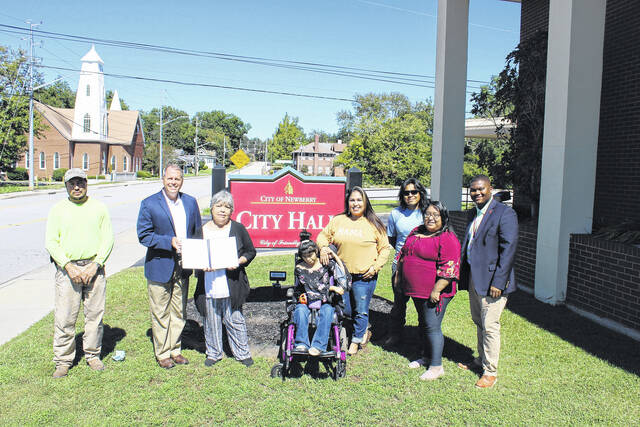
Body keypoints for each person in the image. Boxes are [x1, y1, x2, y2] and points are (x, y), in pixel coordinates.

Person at [45, 168, 114, 378]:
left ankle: (92, 355)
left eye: (81, 182)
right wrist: (68, 265)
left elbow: (108, 239)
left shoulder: (99, 208)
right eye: (72, 183)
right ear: (66, 186)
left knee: (94, 316)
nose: (77, 187)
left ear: (86, 183)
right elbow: (51, 242)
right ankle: (63, 361)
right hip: (68, 271)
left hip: (95, 268)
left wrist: (96, 264)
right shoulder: (58, 210)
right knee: (65, 317)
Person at [137, 164, 202, 369]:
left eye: (177, 179)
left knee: (179, 311)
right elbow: (144, 235)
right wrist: (169, 241)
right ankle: (162, 352)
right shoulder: (149, 204)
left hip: (183, 266)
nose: (173, 182)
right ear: (163, 178)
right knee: (160, 312)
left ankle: (175, 349)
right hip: (160, 265)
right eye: (170, 178)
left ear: (182, 180)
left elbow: (197, 233)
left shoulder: (190, 203)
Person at [458, 175, 518, 389]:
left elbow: (508, 249)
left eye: (481, 189)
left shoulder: (505, 213)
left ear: (490, 189)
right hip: (476, 277)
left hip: (494, 281)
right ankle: (480, 360)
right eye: (473, 190)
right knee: (479, 320)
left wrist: (499, 282)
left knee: (490, 325)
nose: (477, 193)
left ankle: (490, 372)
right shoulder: (474, 214)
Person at [317, 186, 390, 356]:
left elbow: (385, 248)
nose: (355, 203)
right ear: (348, 202)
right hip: (342, 274)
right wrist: (323, 248)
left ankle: (356, 340)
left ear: (365, 202)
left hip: (364, 275)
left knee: (361, 309)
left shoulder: (374, 223)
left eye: (359, 200)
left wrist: (375, 267)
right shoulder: (338, 220)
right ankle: (363, 329)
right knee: (346, 309)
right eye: (352, 200)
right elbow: (322, 236)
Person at [395, 201, 460, 380]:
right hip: (415, 290)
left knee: (432, 326)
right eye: (428, 214)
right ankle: (426, 356)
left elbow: (450, 269)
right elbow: (403, 253)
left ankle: (436, 366)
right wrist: (399, 276)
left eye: (436, 215)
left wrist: (436, 290)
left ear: (443, 217)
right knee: (423, 323)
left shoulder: (447, 238)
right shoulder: (417, 231)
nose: (431, 218)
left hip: (435, 292)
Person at [193, 190, 256, 367]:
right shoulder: (201, 231)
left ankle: (242, 353)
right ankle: (213, 353)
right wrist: (200, 265)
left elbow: (250, 252)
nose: (222, 210)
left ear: (232, 211)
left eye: (227, 207)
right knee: (211, 320)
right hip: (208, 283)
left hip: (231, 283)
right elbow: (194, 255)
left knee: (235, 318)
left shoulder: (237, 229)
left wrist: (239, 261)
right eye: (219, 206)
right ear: (211, 208)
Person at [385, 178, 429, 347]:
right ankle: (395, 335)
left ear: (420, 193)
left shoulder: (427, 212)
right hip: (400, 263)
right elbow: (392, 238)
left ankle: (423, 338)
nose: (410, 195)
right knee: (399, 302)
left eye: (413, 192)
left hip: (422, 264)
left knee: (421, 303)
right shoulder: (396, 214)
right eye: (406, 192)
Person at [292, 240, 349, 356]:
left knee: (327, 311)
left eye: (310, 255)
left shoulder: (326, 263)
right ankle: (302, 343)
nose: (308, 259)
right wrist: (332, 288)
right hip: (306, 300)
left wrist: (333, 256)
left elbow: (343, 274)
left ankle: (318, 346)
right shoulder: (299, 268)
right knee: (300, 311)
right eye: (304, 256)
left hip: (325, 301)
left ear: (316, 252)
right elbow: (311, 286)